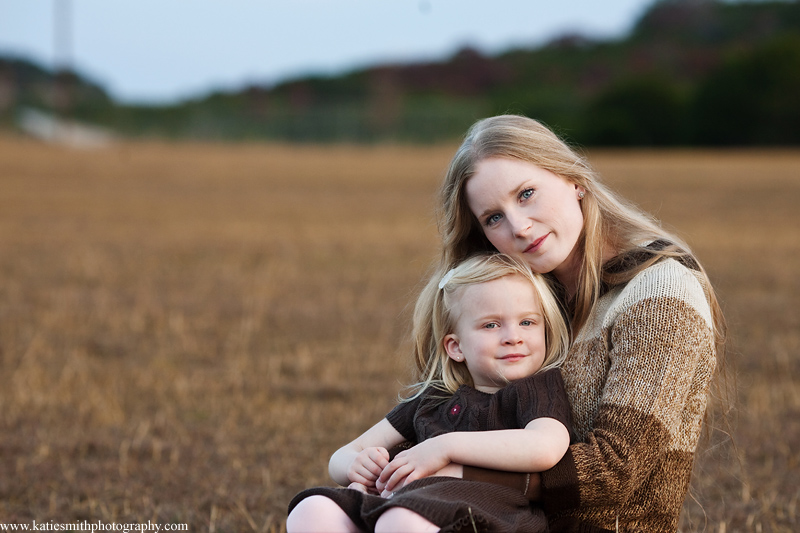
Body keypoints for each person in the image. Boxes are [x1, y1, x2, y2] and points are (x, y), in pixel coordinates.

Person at [375, 114, 727, 532]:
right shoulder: (520, 301)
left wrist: (455, 469)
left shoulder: (660, 290)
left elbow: (615, 468)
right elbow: (456, 419)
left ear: (573, 179)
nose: (519, 227)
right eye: (493, 218)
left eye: (526, 194)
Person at [287, 253, 574, 533]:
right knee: (311, 510)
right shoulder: (434, 397)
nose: (513, 336)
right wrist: (356, 465)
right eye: (491, 325)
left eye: (527, 322)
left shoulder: (536, 389)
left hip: (484, 514)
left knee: (398, 521)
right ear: (456, 347)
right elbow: (342, 456)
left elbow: (545, 447)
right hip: (399, 502)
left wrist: (444, 447)